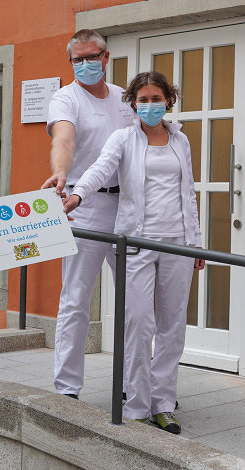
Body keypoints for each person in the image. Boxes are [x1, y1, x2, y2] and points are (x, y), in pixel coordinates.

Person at [64, 71, 204, 433]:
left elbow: (188, 192)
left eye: (156, 99)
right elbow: (100, 169)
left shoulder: (180, 140)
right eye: (142, 99)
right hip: (138, 244)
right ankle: (138, 404)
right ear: (132, 104)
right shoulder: (124, 138)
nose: (150, 105)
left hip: (177, 243)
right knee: (140, 323)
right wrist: (77, 194)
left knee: (173, 326)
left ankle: (164, 401)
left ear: (168, 101)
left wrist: (196, 241)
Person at [42, 29, 135, 399]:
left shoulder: (125, 99)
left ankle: (136, 384)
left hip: (128, 206)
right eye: (76, 59)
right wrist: (61, 173)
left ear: (106, 57)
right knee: (76, 298)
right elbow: (63, 138)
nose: (84, 65)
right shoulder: (66, 98)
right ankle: (67, 388)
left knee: (137, 300)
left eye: (90, 57)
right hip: (83, 205)